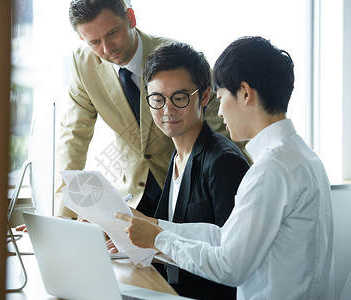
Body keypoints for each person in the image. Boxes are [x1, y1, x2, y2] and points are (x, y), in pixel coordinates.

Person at [115, 36, 334, 299]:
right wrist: (153, 226)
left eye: (220, 97)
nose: (219, 113)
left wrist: (158, 239)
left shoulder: (271, 169)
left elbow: (229, 265)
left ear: (244, 93)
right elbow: (223, 236)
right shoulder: (300, 156)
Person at [54, 0, 251, 219]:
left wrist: (246, 196)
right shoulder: (83, 65)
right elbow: (73, 138)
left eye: (112, 33)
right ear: (83, 39)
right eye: (94, 42)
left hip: (189, 192)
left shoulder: (177, 59)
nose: (107, 48)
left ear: (130, 18)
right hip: (134, 198)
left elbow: (225, 130)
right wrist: (64, 218)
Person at [142, 41, 249, 299]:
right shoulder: (177, 155)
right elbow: (166, 231)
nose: (167, 110)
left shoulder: (223, 162)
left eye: (179, 98)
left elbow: (232, 262)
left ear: (204, 96)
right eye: (157, 99)